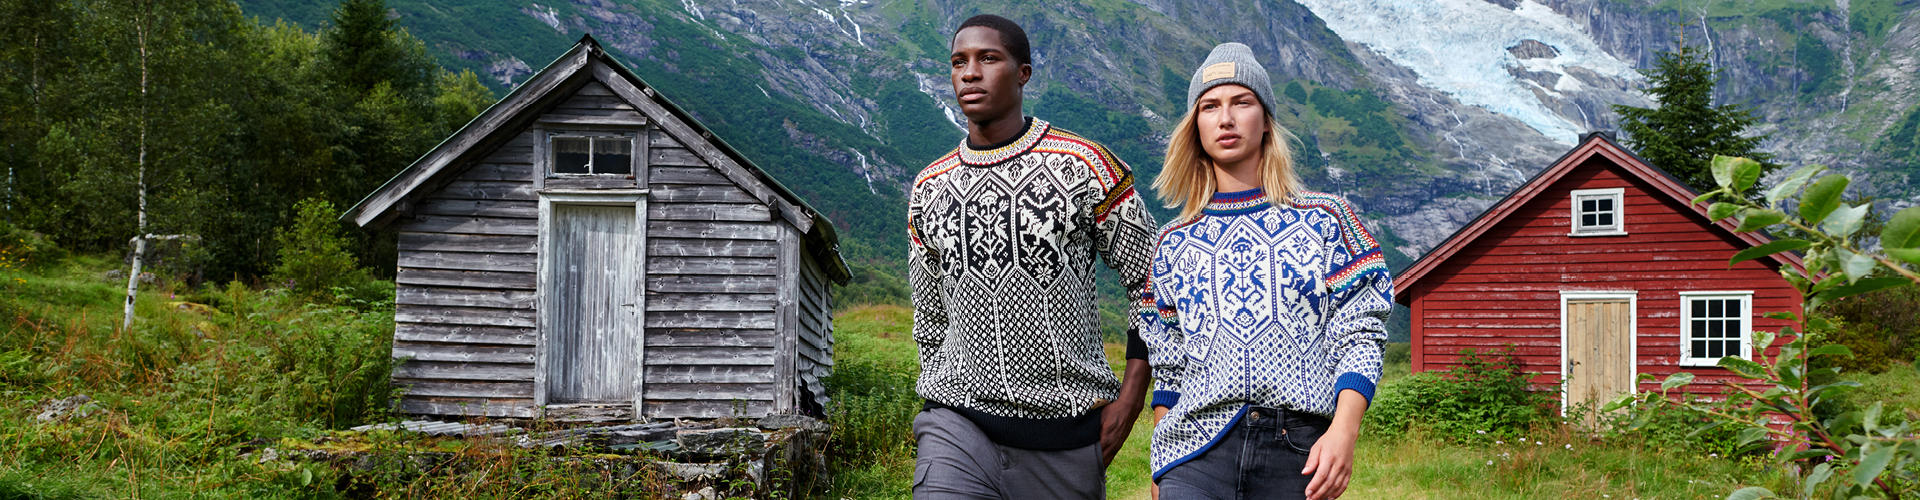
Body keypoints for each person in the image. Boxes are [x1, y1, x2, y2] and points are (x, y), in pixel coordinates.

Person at [906, 13, 1159, 500]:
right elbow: (930, 318)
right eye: (959, 62)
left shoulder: (1087, 166)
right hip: (956, 429)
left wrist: (1129, 400)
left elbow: (1152, 281)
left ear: (1023, 73)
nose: (970, 73)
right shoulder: (928, 188)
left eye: (988, 58)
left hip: (1064, 442)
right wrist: (940, 393)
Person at [1141, 43, 1391, 500]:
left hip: (1296, 450)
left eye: (1242, 102)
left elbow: (1361, 335)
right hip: (1195, 455)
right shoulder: (1173, 241)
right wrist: (1163, 462)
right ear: (1195, 125)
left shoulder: (1327, 219)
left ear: (1266, 117)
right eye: (1210, 106)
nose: (1226, 118)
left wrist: (1344, 432)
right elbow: (1169, 364)